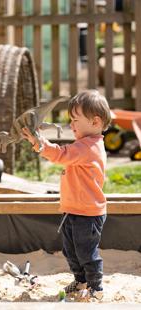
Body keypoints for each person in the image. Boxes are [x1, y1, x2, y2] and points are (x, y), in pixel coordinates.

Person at [22, 89, 111, 299]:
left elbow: (61, 155)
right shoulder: (84, 145)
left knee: (86, 252)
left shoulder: (89, 148)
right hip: (73, 210)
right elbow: (66, 155)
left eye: (75, 120)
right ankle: (81, 280)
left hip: (88, 214)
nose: (71, 125)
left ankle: (96, 286)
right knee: (71, 251)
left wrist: (39, 143)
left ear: (95, 122)